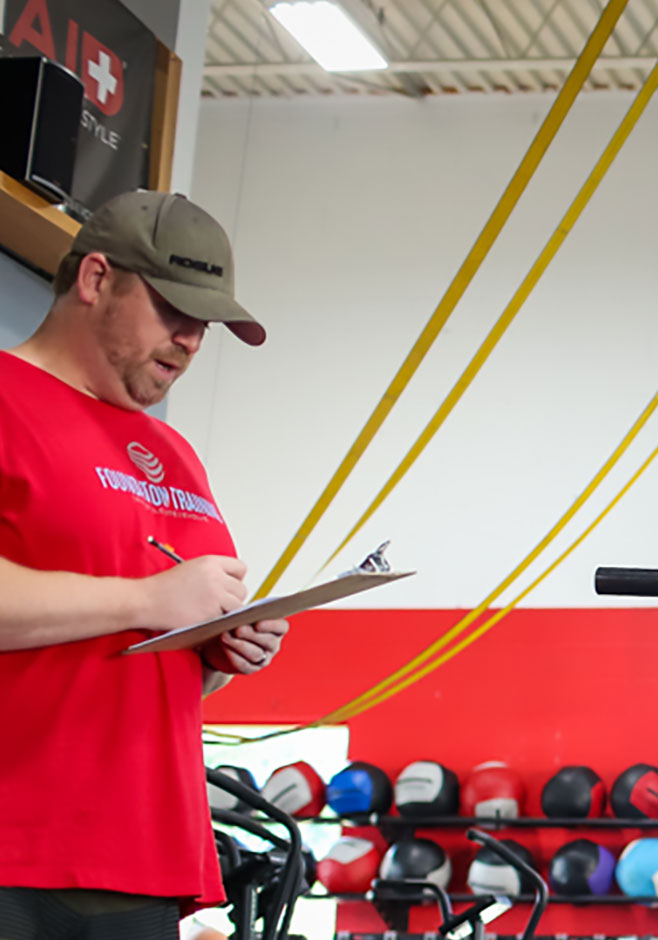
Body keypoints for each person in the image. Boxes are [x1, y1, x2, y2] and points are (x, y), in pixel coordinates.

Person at [0, 190, 291, 936]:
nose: (192, 340)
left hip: (144, 859)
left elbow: (177, 654)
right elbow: (151, 603)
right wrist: (147, 600)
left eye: (205, 325)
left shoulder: (174, 455)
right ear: (96, 279)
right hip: (15, 847)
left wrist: (228, 646)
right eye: (174, 311)